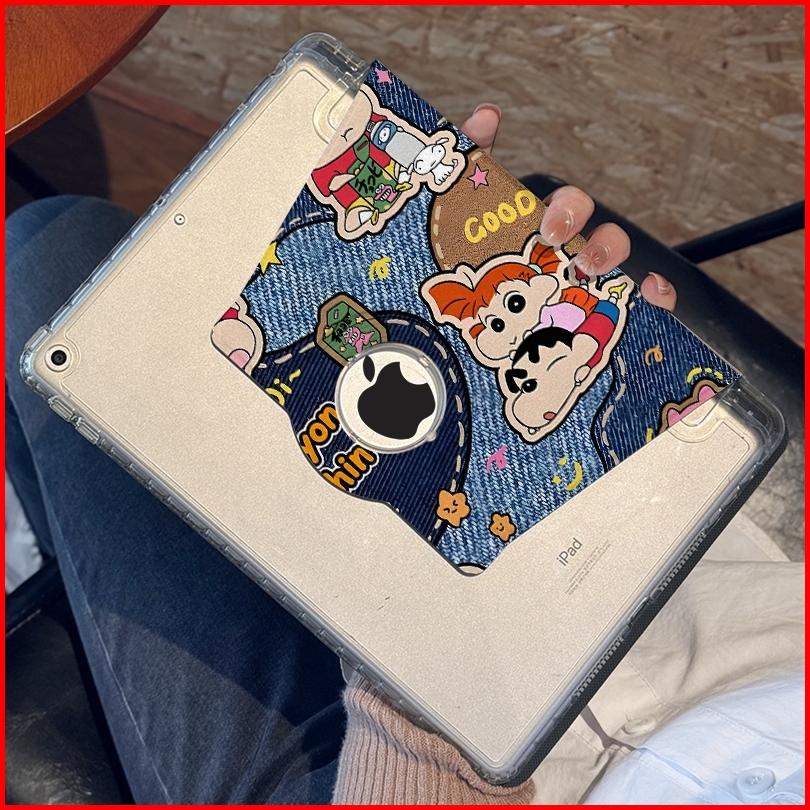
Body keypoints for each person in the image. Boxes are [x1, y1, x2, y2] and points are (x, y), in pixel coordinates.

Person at [5, 105, 802, 805]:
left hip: (421, 754)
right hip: (708, 601)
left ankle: (64, 568)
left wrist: (431, 680)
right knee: (92, 289)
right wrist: (625, 395)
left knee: (52, 253)